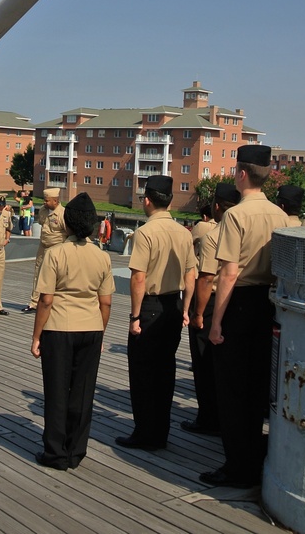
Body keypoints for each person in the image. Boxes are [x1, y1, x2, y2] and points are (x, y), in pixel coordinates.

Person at [202, 145, 289, 489]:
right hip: (268, 303)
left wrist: (216, 322)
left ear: (241, 174)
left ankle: (237, 466)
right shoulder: (280, 215)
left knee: (232, 390)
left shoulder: (236, 215)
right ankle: (255, 459)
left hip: (239, 303)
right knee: (257, 388)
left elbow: (228, 273)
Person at [31, 192, 113, 470]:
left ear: (67, 223)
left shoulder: (55, 254)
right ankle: (76, 450)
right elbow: (106, 301)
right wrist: (100, 331)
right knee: (83, 390)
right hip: (91, 327)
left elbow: (46, 300)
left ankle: (55, 452)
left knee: (56, 390)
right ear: (92, 225)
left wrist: (36, 336)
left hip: (59, 327)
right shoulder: (102, 257)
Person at [116, 175, 197, 451]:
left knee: (142, 373)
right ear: (170, 201)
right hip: (174, 306)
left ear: (147, 200)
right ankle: (160, 431)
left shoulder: (145, 233)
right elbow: (191, 274)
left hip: (149, 309)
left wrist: (134, 317)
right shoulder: (183, 232)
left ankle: (144, 433)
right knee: (165, 371)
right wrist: (186, 309)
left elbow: (139, 278)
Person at [184, 182, 239, 436]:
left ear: (216, 206)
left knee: (204, 365)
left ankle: (207, 418)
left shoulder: (213, 237)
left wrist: (197, 314)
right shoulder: (245, 231)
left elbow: (205, 279)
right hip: (239, 302)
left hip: (211, 304)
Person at [23, 188, 67, 313]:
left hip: (57, 248)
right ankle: (34, 302)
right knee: (38, 274)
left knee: (55, 277)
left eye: (47, 200)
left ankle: (55, 303)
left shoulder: (63, 214)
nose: (44, 202)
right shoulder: (43, 210)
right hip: (43, 246)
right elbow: (42, 224)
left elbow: (68, 232)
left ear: (55, 201)